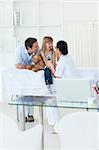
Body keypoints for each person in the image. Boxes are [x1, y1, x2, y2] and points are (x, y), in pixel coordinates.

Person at [16, 37, 39, 122]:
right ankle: (22, 115)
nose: (38, 47)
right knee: (21, 95)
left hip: (30, 75)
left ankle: (30, 114)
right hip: (20, 75)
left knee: (30, 94)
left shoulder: (37, 50)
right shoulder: (19, 50)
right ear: (29, 48)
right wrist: (28, 67)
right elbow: (17, 66)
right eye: (35, 46)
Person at [40, 36, 60, 127]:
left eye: (52, 43)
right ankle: (52, 120)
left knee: (52, 98)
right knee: (48, 97)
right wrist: (51, 68)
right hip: (46, 71)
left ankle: (55, 119)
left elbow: (55, 63)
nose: (51, 45)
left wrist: (53, 68)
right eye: (49, 43)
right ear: (45, 43)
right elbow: (46, 62)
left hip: (52, 71)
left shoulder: (54, 52)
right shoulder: (42, 52)